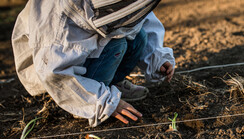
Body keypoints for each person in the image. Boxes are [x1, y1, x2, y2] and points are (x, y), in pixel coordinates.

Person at [11, 0, 175, 127]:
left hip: (88, 50)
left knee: (139, 37)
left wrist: (156, 57)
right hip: (59, 78)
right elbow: (54, 72)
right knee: (117, 45)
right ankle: (87, 101)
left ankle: (112, 85)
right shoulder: (57, 18)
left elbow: (139, 15)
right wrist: (103, 103)